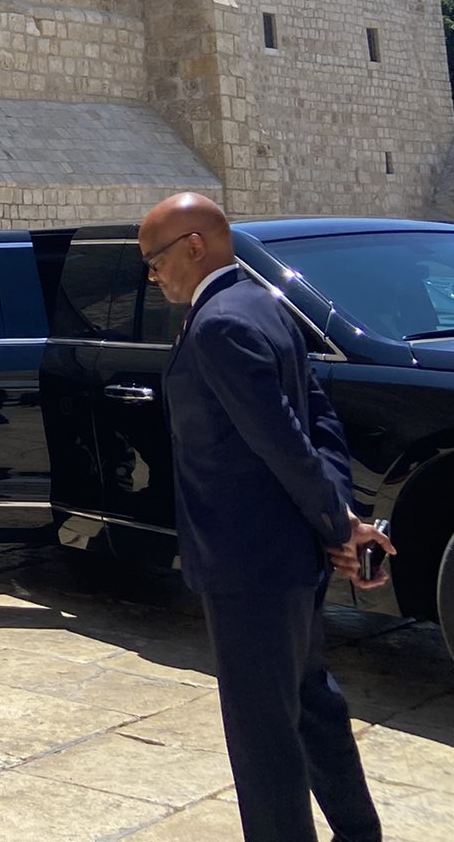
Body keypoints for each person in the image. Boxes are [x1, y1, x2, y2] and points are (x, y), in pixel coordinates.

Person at [139, 192, 386, 842]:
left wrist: (339, 527)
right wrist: (340, 520)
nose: (151, 273)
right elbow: (321, 420)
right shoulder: (263, 305)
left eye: (155, 258)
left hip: (249, 564)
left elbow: (280, 438)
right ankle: (359, 831)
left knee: (262, 740)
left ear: (195, 246)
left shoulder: (218, 323)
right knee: (311, 704)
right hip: (291, 558)